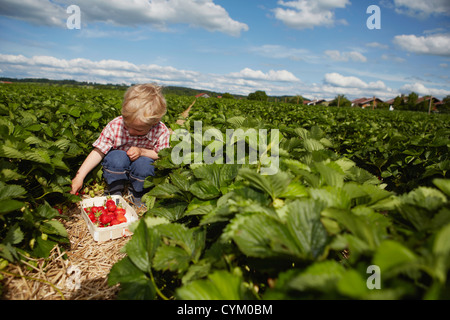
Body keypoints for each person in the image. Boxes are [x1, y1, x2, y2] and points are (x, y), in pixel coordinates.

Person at [70, 83, 171, 207]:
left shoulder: (161, 130)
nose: (130, 132)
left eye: (138, 130)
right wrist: (79, 176)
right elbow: (99, 150)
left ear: (154, 122)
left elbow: (162, 154)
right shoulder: (116, 125)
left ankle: (137, 193)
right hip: (118, 166)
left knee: (145, 163)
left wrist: (142, 151)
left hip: (141, 170)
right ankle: (114, 189)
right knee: (115, 157)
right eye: (127, 126)